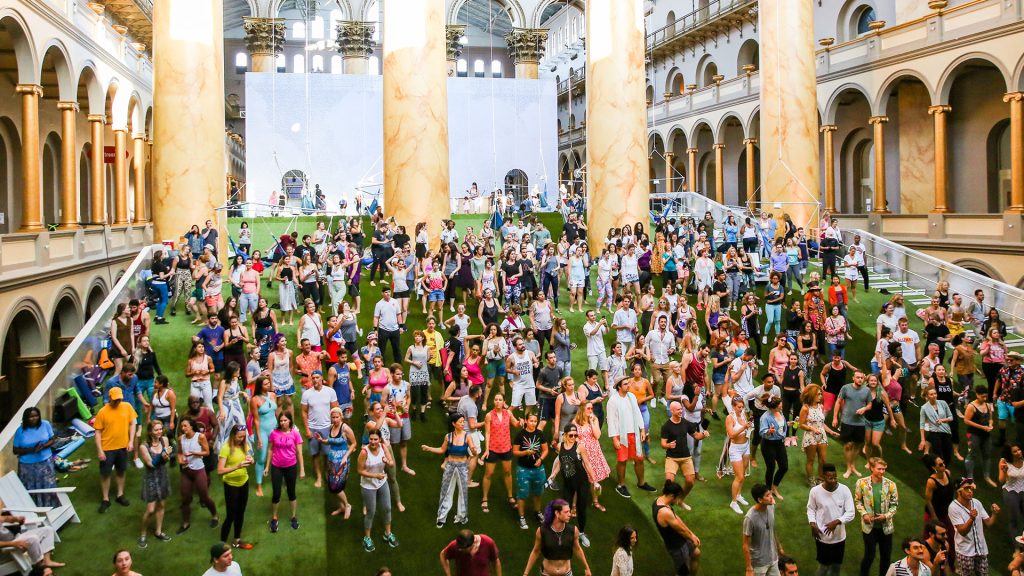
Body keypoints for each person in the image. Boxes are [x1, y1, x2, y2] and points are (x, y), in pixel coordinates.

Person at [607, 377, 655, 498]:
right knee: (622, 460)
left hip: (634, 433)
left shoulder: (632, 397)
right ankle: (621, 485)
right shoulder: (613, 401)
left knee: (639, 458)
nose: (628, 385)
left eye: (628, 383)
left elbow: (638, 413)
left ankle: (641, 483)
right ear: (619, 386)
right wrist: (614, 439)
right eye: (625, 384)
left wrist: (642, 429)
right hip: (620, 435)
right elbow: (611, 422)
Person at [95, 386, 138, 513]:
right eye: (115, 400)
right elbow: (97, 432)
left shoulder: (127, 407)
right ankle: (105, 499)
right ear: (109, 398)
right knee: (105, 473)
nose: (118, 402)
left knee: (121, 471)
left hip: (122, 447)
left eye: (119, 399)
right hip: (107, 448)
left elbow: (133, 423)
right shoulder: (102, 412)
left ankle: (120, 495)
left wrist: (130, 441)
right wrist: (100, 450)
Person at [807, 464, 855, 576]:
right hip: (823, 538)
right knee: (824, 567)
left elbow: (851, 513)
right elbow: (811, 509)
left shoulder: (844, 490)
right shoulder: (815, 491)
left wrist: (836, 521)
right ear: (823, 476)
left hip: (839, 538)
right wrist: (813, 524)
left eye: (835, 477)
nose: (834, 481)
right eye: (830, 478)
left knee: (836, 567)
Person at [523, 499, 593, 576]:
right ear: (557, 513)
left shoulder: (573, 530)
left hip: (567, 573)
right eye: (566, 512)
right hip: (546, 574)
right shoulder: (542, 531)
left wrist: (587, 568)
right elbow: (535, 551)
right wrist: (526, 573)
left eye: (569, 511)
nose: (570, 514)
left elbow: (577, 549)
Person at [855, 458, 900, 576]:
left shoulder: (891, 485)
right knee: (869, 556)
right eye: (879, 469)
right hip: (869, 527)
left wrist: (886, 516)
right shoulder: (861, 483)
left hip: (886, 528)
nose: (882, 471)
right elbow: (858, 501)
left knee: (886, 557)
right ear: (871, 468)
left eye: (884, 469)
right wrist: (864, 514)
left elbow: (894, 505)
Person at [661, 400, 709, 508]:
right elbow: (663, 443)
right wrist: (668, 445)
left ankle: (680, 499)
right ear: (672, 411)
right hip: (672, 458)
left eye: (681, 409)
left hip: (685, 457)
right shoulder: (666, 426)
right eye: (678, 409)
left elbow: (696, 436)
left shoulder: (685, 422)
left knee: (690, 482)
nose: (680, 411)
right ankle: (666, 504)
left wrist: (704, 434)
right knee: (669, 482)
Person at [948, 477, 1000, 576]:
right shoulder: (953, 508)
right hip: (965, 551)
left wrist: (994, 514)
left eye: (971, 488)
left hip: (981, 549)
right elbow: (962, 531)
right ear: (959, 491)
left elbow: (988, 523)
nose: (970, 491)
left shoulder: (977, 503)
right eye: (966, 488)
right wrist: (971, 519)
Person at [176, 417, 219, 534]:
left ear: (191, 426)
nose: (183, 428)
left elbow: (206, 452)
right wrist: (180, 460)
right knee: (185, 498)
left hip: (199, 470)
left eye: (185, 426)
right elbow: (179, 453)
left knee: (204, 496)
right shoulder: (181, 439)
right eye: (181, 426)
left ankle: (215, 515)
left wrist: (194, 453)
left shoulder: (200, 437)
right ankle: (185, 523)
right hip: (186, 471)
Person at [358, 429, 397, 552]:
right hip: (368, 486)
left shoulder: (383, 447)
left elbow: (391, 464)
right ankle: (367, 538)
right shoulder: (364, 452)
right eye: (371, 439)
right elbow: (359, 471)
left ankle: (388, 533)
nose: (373, 442)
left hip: (382, 483)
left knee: (387, 508)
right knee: (371, 512)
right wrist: (375, 476)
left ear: (379, 439)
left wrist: (387, 461)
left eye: (375, 439)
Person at [217, 424, 254, 549]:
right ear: (233, 435)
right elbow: (220, 470)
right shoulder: (226, 448)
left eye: (243, 437)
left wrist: (250, 459)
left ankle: (236, 540)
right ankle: (222, 544)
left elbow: (248, 457)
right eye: (239, 437)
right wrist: (237, 466)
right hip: (231, 485)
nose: (241, 439)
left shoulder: (244, 445)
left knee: (241, 512)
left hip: (244, 481)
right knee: (231, 515)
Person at [267, 411, 305, 532]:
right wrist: (267, 467)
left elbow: (299, 453)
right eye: (281, 420)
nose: (283, 423)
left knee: (291, 492)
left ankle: (293, 517)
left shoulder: (295, 434)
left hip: (291, 465)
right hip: (276, 466)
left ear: (290, 421)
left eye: (285, 420)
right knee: (276, 493)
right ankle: (274, 517)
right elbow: (270, 449)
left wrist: (302, 469)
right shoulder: (274, 433)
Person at [653, 481, 701, 576]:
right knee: (683, 572)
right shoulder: (664, 512)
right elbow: (681, 530)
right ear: (671, 495)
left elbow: (676, 519)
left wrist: (691, 534)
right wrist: (692, 538)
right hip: (677, 546)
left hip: (680, 539)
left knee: (696, 553)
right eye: (678, 497)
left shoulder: (659, 500)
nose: (679, 500)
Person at [12, 407, 57, 507]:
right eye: (31, 417)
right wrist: (32, 450)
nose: (34, 418)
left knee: (48, 485)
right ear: (26, 418)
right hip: (27, 466)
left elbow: (53, 439)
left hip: (45, 462)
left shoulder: (45, 424)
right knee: (31, 488)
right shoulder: (20, 431)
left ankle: (51, 506)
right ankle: (34, 508)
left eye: (36, 416)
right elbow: (15, 450)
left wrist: (44, 446)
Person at [137, 420, 172, 548]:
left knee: (162, 504)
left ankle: (158, 531)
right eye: (156, 429)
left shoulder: (164, 440)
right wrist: (162, 456)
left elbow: (167, 458)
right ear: (150, 431)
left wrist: (166, 456)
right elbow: (151, 464)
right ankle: (143, 533)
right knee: (151, 509)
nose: (159, 431)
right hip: (151, 478)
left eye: (161, 428)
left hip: (163, 475)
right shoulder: (143, 446)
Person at [301, 370, 339, 488]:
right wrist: (307, 429)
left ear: (322, 378)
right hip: (313, 428)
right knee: (315, 453)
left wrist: (335, 427)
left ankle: (328, 474)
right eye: (313, 378)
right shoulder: (307, 394)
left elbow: (335, 409)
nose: (315, 380)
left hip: (327, 427)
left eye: (317, 377)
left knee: (328, 454)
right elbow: (303, 412)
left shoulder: (330, 392)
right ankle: (318, 476)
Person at [0, 503, 64, 571]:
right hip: (6, 548)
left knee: (48, 529)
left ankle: (47, 561)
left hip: (14, 540)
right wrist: (13, 544)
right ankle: (41, 566)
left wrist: (17, 519)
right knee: (33, 539)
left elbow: (5, 518)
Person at [833, 370, 870, 479]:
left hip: (860, 422)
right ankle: (849, 467)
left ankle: (853, 465)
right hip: (847, 421)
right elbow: (838, 402)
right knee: (848, 445)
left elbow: (870, 404)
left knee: (857, 445)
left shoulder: (866, 390)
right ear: (853, 378)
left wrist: (865, 408)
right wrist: (835, 417)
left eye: (862, 378)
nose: (860, 379)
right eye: (858, 377)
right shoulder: (846, 388)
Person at [743, 484, 784, 576]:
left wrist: (779, 547)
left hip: (773, 558)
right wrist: (749, 568)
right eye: (767, 495)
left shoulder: (771, 507)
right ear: (760, 500)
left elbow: (772, 529)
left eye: (770, 494)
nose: (771, 497)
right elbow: (745, 544)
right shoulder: (750, 518)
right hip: (759, 563)